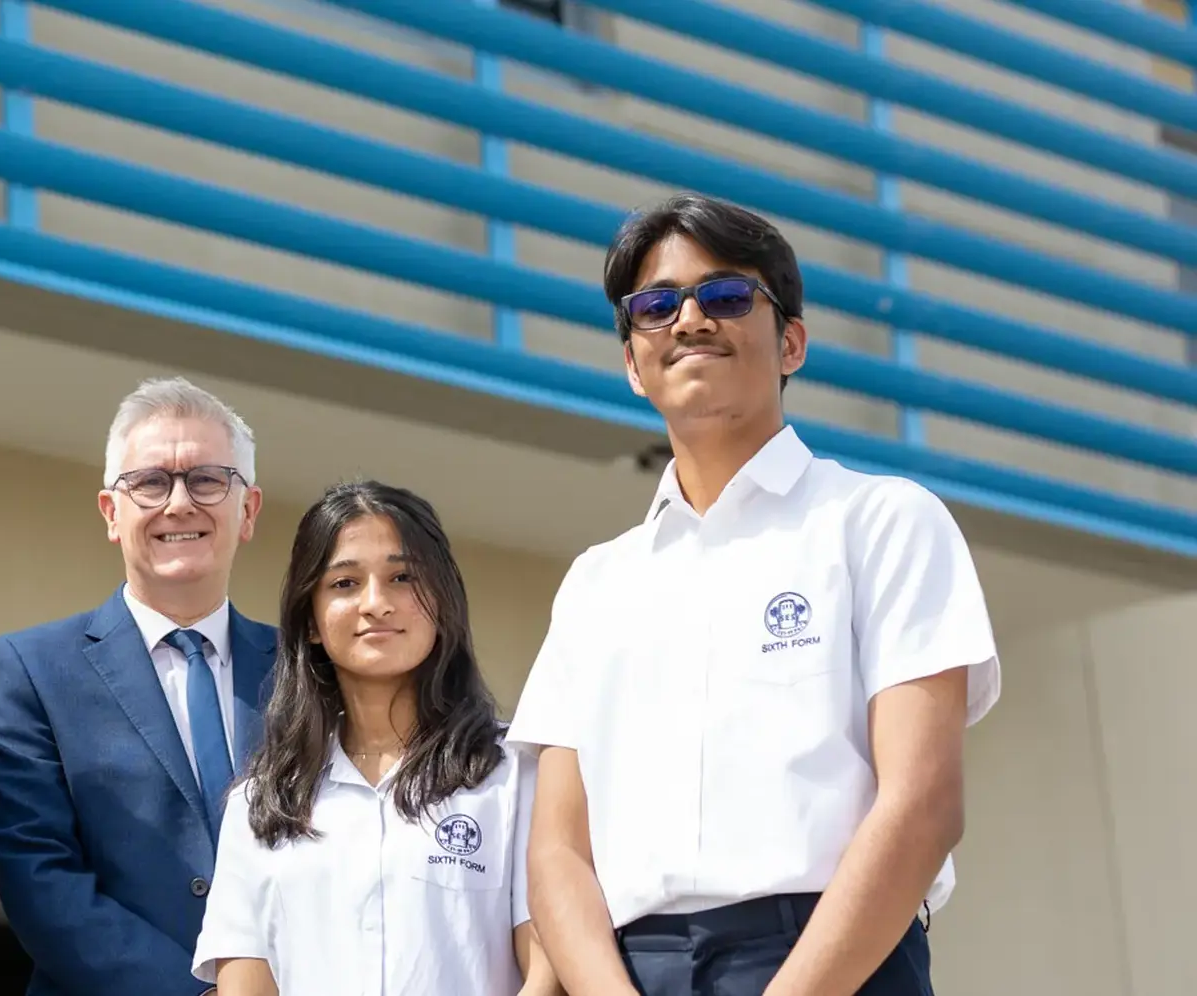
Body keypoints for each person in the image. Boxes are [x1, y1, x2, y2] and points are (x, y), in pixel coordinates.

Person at [509, 193, 1000, 996]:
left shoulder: (883, 522)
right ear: (633, 364)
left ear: (791, 343)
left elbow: (923, 803)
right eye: (657, 306)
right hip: (633, 972)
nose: (691, 318)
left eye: (728, 295)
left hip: (836, 962)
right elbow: (558, 851)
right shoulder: (597, 583)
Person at [191, 480, 557, 996]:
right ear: (312, 621)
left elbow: (546, 969)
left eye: (402, 577)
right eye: (344, 584)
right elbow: (246, 985)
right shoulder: (260, 804)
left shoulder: (514, 772)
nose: (376, 603)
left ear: (442, 603)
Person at [0, 376, 276, 996]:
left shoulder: (310, 671)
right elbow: (37, 873)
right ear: (112, 513)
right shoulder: (32, 669)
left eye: (207, 479)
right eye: (150, 482)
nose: (178, 503)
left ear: (247, 511)